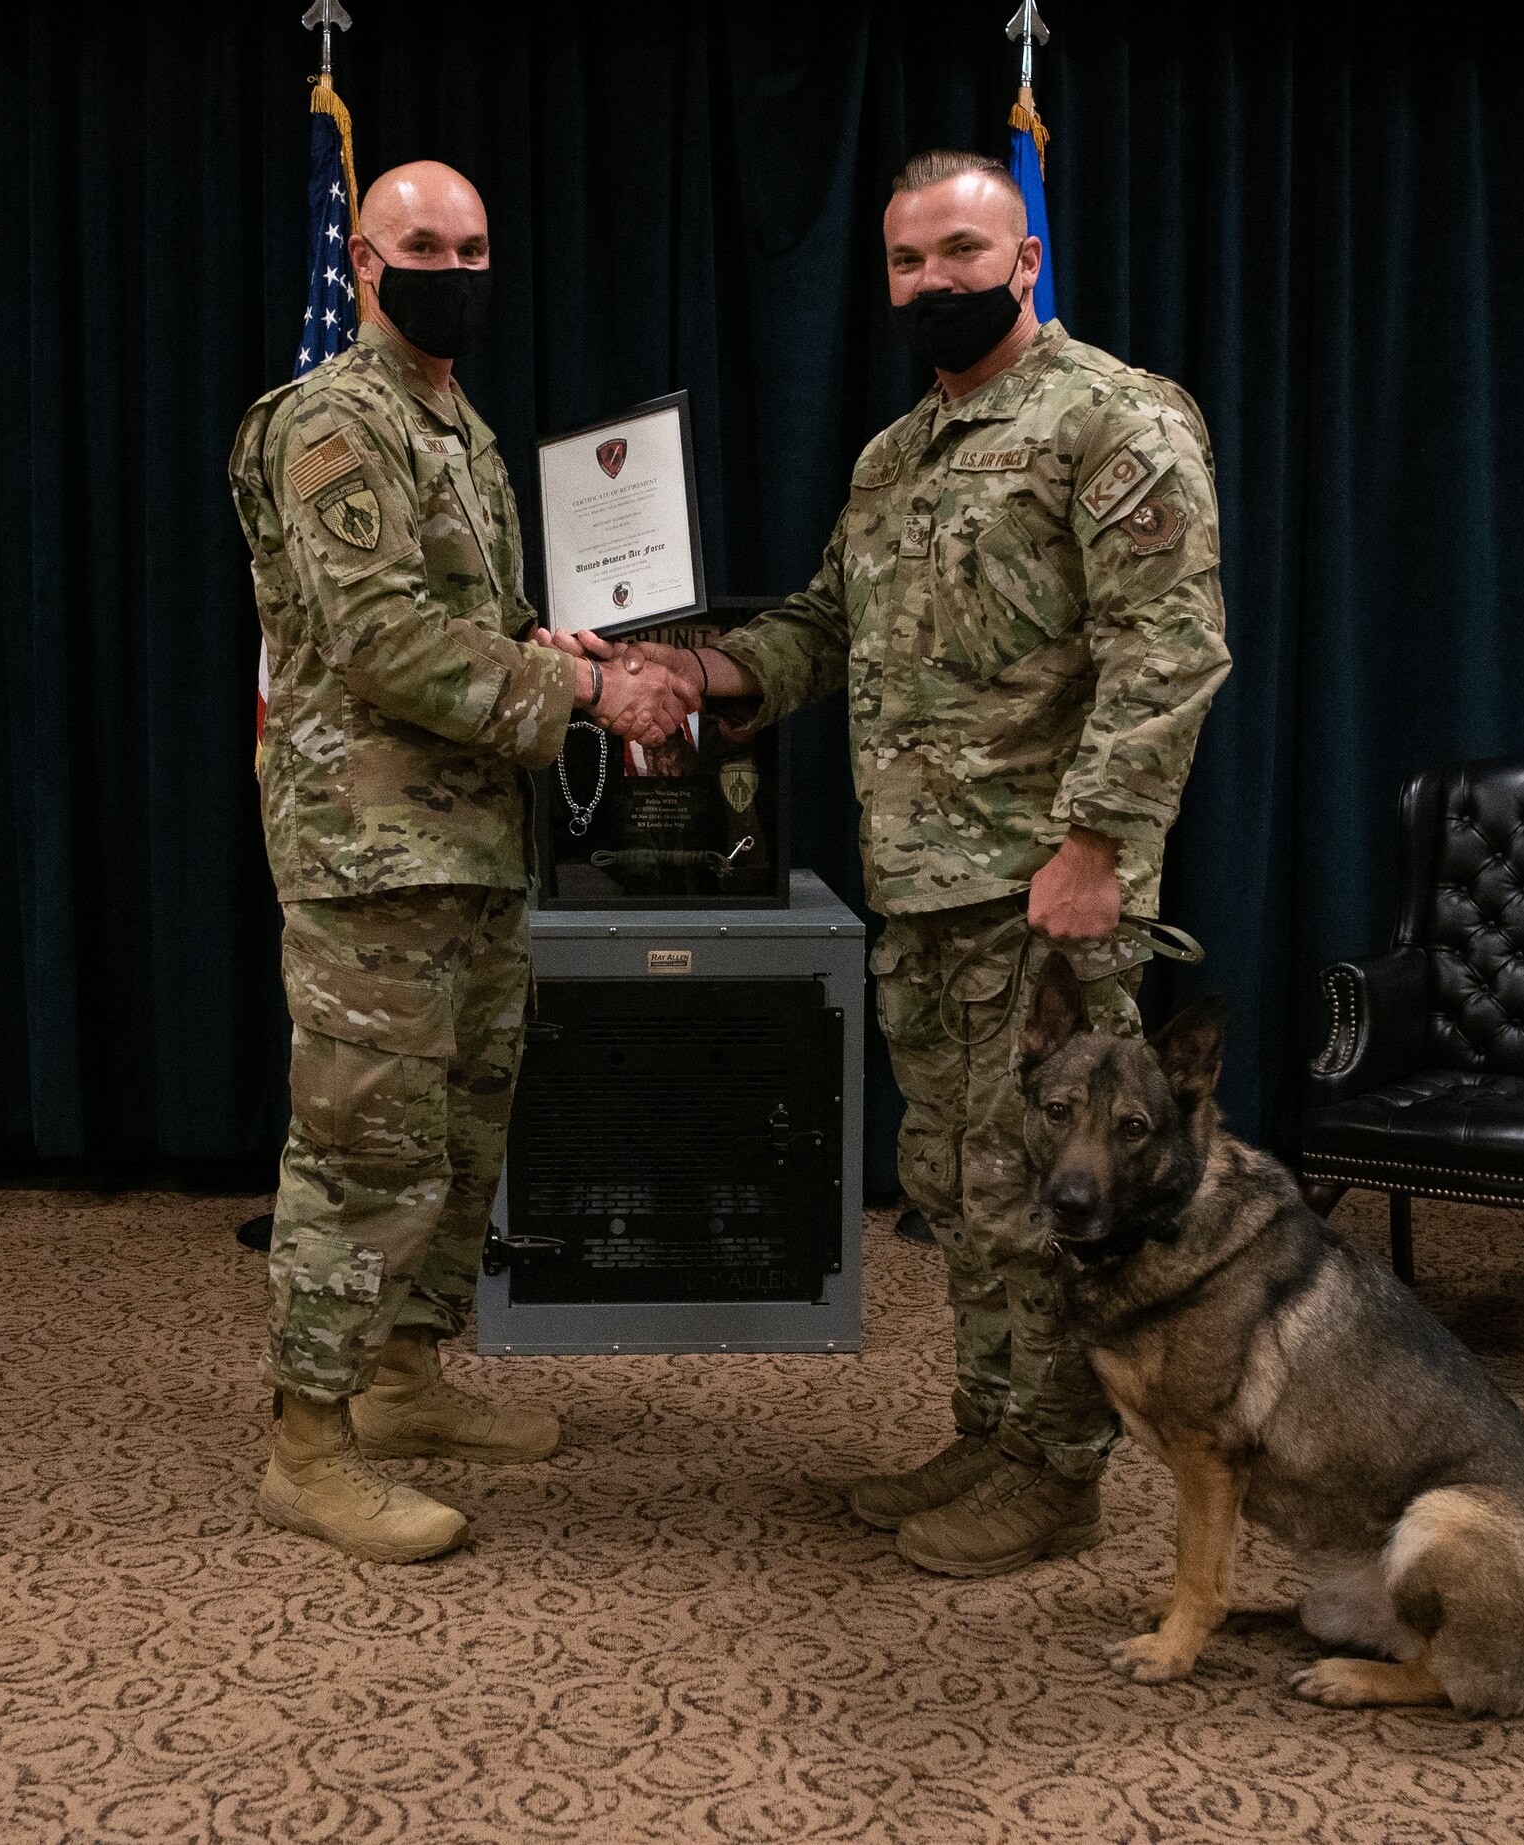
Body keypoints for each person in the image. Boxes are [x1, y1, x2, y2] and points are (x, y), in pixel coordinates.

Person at [553, 150, 1231, 1578]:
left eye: (963, 252)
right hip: (922, 896)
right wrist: (686, 669)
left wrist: (1099, 846)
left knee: (1050, 1196)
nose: (934, 282)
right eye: (909, 262)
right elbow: (819, 631)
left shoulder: (1113, 421)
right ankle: (990, 1427)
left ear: (1026, 258)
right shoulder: (895, 457)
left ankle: (1057, 1471)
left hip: (1044, 896)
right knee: (959, 1186)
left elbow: (1170, 653)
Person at [229, 161, 699, 1562]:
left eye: (476, 244)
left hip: (472, 843)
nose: (453, 265)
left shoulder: (457, 424)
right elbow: (380, 638)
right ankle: (308, 1446)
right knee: (362, 1148)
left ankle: (397, 1381)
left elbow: (469, 619)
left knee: (461, 1134)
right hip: (370, 851)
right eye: (422, 243)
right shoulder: (330, 421)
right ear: (362, 264)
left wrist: (551, 648)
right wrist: (585, 697)